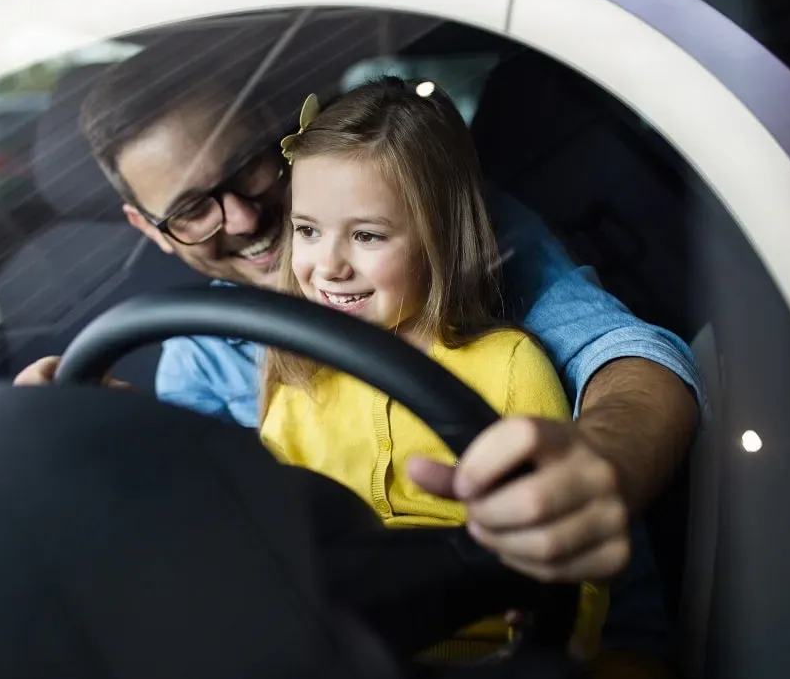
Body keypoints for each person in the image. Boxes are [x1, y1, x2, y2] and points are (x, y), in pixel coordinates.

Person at [15, 36, 700, 676]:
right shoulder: (193, 351)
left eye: (247, 166)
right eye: (193, 208)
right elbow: (210, 555)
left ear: (278, 134)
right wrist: (115, 446)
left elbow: (624, 355)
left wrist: (602, 465)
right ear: (151, 231)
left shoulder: (444, 233)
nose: (245, 219)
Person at [259, 79, 608, 663]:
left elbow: (570, 547)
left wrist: (551, 647)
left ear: (439, 238)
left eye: (367, 235)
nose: (328, 265)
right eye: (307, 230)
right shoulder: (298, 381)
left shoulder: (510, 368)